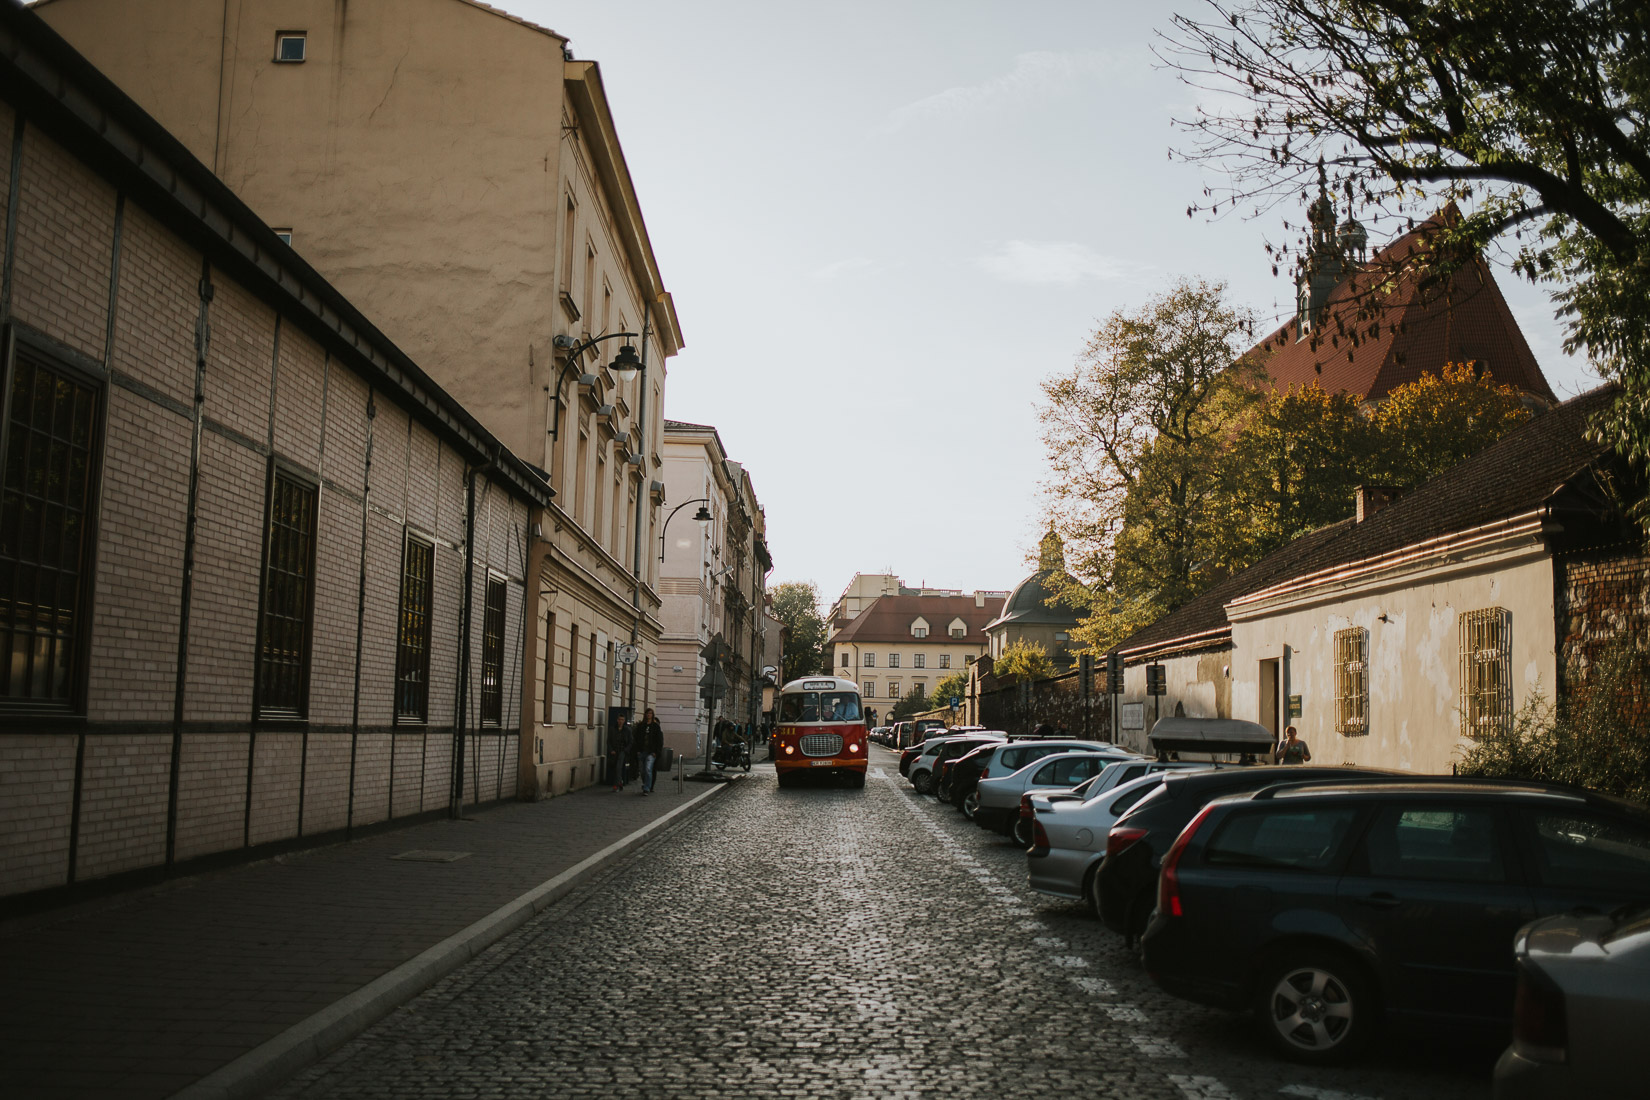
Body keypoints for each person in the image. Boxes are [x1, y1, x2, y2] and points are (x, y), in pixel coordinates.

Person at [637, 708, 664, 794]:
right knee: (642, 771)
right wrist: (638, 750)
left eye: (650, 713)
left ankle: (647, 788)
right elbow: (637, 738)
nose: (649, 715)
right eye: (647, 713)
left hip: (651, 752)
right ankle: (646, 784)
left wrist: (656, 752)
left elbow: (659, 740)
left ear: (652, 715)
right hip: (642, 751)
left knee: (648, 769)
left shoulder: (655, 726)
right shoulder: (641, 726)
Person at [611, 716, 634, 790]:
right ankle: (620, 781)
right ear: (617, 720)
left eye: (622, 720)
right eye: (619, 719)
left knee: (618, 767)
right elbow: (609, 741)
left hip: (623, 751)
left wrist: (626, 750)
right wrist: (611, 750)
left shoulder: (627, 730)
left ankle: (616, 785)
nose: (621, 721)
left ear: (624, 721)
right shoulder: (613, 729)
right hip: (615, 750)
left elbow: (631, 741)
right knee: (614, 767)